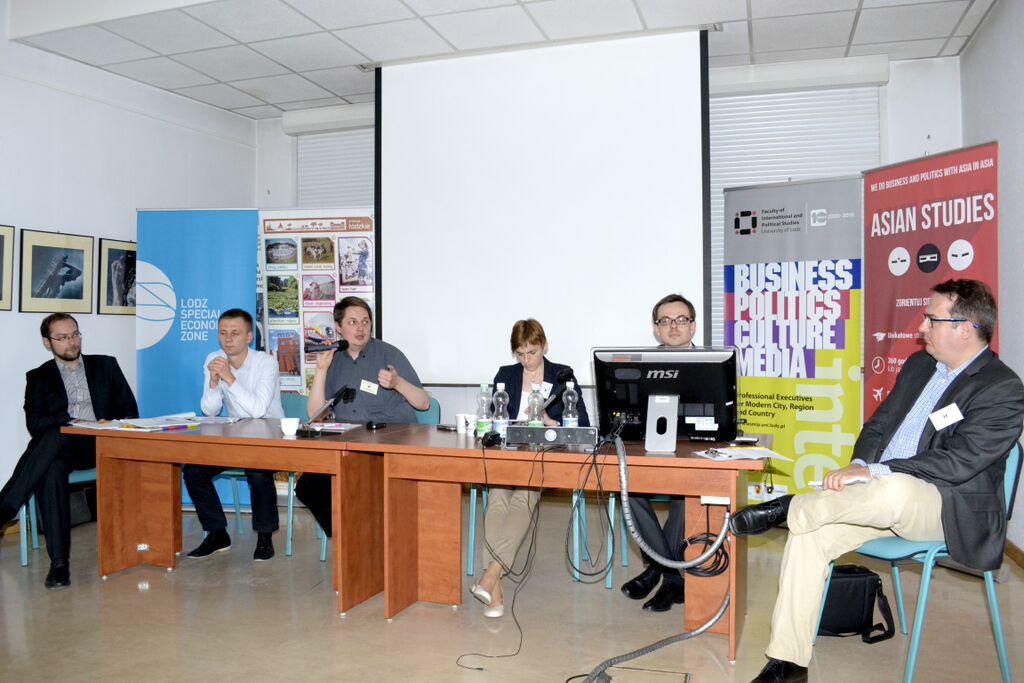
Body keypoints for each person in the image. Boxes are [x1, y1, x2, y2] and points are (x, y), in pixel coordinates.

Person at [730, 279, 1024, 683]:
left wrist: (875, 473)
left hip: (943, 505)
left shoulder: (1002, 388)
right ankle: (789, 662)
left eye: (931, 319)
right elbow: (878, 425)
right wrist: (859, 467)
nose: (921, 328)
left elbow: (958, 462)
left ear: (965, 328)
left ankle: (789, 506)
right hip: (873, 496)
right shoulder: (921, 366)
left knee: (894, 486)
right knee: (810, 533)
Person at [0, 314, 138, 589]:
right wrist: (71, 422)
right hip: (62, 449)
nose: (71, 342)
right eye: (62, 338)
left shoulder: (106, 365)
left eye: (75, 334)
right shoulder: (38, 377)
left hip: (101, 443)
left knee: (53, 437)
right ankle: (59, 565)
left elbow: (130, 412)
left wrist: (107, 424)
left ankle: (5, 508)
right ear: (46, 342)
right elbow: (35, 424)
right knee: (51, 464)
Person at [471, 319, 591, 618]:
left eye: (533, 352)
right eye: (521, 353)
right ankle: (494, 585)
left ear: (545, 346)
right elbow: (490, 419)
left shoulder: (562, 376)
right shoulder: (506, 375)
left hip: (544, 454)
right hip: (508, 453)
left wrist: (552, 422)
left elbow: (584, 422)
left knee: (524, 496)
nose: (527, 359)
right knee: (498, 494)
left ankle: (492, 573)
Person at [295, 297, 428, 536]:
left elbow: (423, 402)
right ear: (338, 327)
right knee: (308, 486)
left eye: (365, 322)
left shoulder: (388, 353)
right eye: (353, 322)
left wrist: (397, 382)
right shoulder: (332, 358)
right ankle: (349, 537)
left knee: (367, 485)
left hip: (389, 445)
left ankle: (360, 538)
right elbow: (314, 415)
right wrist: (321, 370)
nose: (360, 328)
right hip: (348, 447)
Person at [183, 309, 284, 562]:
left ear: (249, 336)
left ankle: (264, 537)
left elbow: (259, 410)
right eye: (223, 333)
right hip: (233, 437)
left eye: (235, 333)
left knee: (258, 472)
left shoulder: (266, 362)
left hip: (269, 437)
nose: (227, 339)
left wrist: (229, 378)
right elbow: (209, 409)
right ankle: (217, 533)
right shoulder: (214, 357)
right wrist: (215, 383)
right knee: (194, 471)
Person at [619, 293, 697, 613]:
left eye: (680, 320)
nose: (673, 326)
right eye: (665, 321)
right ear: (655, 329)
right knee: (628, 487)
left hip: (693, 452)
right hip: (651, 449)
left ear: (693, 327)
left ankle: (659, 572)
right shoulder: (641, 366)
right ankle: (669, 574)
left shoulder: (714, 361)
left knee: (685, 494)